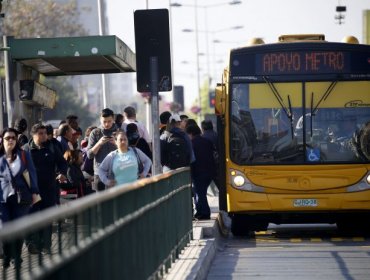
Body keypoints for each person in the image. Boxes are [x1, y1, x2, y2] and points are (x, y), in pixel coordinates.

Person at [24, 123, 68, 254]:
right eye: (41, 133)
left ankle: (45, 245)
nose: (44, 136)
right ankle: (32, 243)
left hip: (49, 189)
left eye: (45, 133)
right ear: (33, 135)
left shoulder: (52, 147)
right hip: (32, 191)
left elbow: (62, 162)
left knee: (47, 217)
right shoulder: (26, 149)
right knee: (31, 217)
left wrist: (62, 173)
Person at [0, 128, 39, 268]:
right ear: (2, 140)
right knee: (4, 226)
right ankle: (7, 253)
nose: (10, 140)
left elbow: (32, 173)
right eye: (7, 138)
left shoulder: (23, 154)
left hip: (21, 197)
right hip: (2, 198)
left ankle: (16, 257)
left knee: (18, 227)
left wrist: (34, 191)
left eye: (13, 138)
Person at [186, 124, 216, 220]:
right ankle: (200, 212)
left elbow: (192, 159)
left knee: (200, 193)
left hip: (198, 171)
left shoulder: (192, 143)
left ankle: (204, 213)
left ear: (190, 133)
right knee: (200, 192)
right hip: (210, 171)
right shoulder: (207, 141)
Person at [87, 108, 119, 191]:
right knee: (101, 202)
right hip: (99, 174)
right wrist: (99, 143)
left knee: (115, 202)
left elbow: (127, 152)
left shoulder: (119, 132)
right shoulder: (95, 133)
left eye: (109, 121)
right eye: (104, 121)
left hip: (117, 173)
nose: (107, 124)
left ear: (113, 119)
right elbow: (89, 155)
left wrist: (116, 144)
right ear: (100, 120)